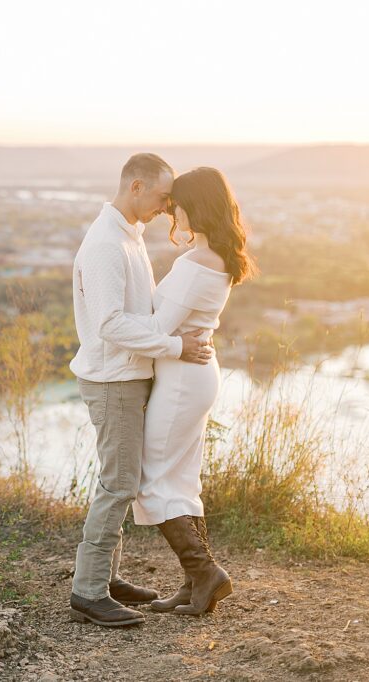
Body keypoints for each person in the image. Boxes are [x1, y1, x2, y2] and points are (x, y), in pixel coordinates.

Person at [68, 153, 213, 628]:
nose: (167, 208)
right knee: (120, 483)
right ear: (135, 187)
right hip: (113, 379)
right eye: (161, 196)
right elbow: (111, 324)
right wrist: (174, 345)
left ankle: (106, 580)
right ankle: (89, 591)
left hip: (128, 375)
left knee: (120, 478)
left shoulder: (130, 237)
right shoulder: (108, 244)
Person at [129, 166, 257, 616]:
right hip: (192, 377)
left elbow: (159, 328)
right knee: (181, 477)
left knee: (153, 477)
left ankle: (204, 572)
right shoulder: (216, 257)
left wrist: (114, 320)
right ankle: (194, 585)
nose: (171, 212)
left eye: (176, 204)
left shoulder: (195, 265)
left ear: (195, 205)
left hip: (183, 381)